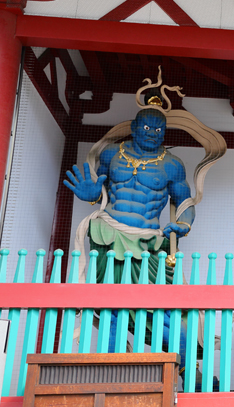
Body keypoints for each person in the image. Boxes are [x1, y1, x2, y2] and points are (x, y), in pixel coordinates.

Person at [64, 107, 195, 286]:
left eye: (158, 130)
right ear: (134, 128)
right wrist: (94, 196)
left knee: (149, 300)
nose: (152, 133)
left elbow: (185, 202)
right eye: (147, 128)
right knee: (107, 294)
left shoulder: (172, 164)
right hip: (109, 231)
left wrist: (184, 225)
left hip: (148, 239)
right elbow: (101, 188)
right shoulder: (111, 153)